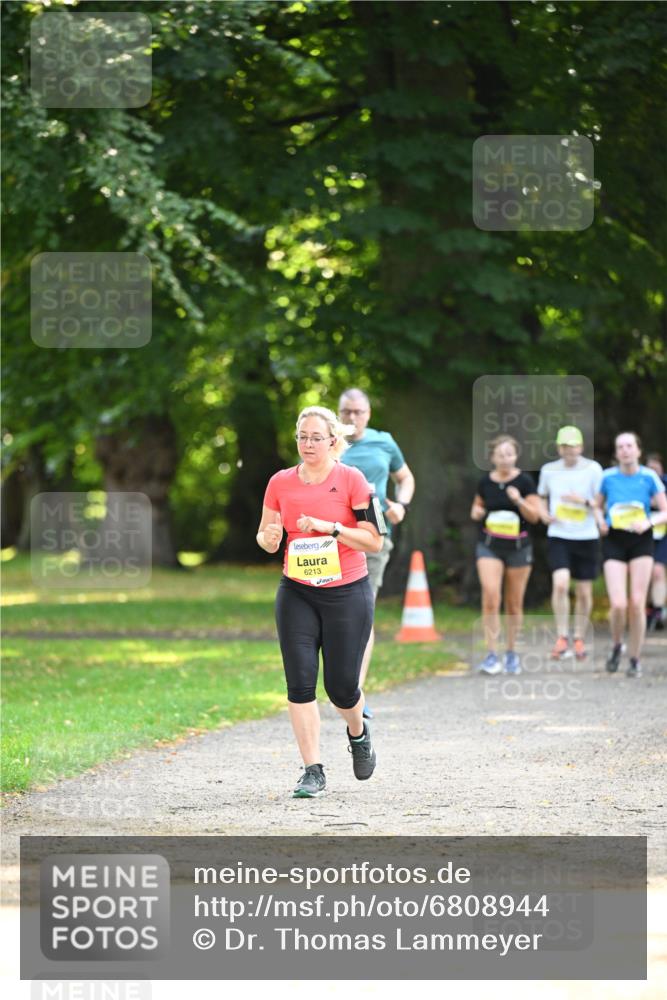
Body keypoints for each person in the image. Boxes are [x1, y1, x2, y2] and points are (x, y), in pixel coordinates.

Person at [256, 405, 384, 798]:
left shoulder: (352, 479)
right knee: (299, 683)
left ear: (332, 441)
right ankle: (313, 771)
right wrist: (269, 539)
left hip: (347, 592)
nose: (308, 444)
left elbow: (374, 541)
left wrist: (332, 528)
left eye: (316, 437)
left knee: (342, 687)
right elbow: (265, 535)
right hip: (297, 591)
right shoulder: (279, 482)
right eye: (302, 437)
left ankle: (358, 732)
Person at [338, 388, 415, 719]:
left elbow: (405, 478)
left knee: (363, 612)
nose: (352, 417)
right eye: (346, 412)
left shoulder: (384, 442)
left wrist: (402, 504)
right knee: (334, 616)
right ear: (338, 413)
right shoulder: (327, 442)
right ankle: (335, 681)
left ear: (368, 414)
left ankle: (354, 693)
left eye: (358, 412)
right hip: (332, 537)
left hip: (373, 535)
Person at [595, 432, 667, 677]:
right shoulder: (607, 477)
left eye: (629, 446)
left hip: (641, 540)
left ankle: (635, 659)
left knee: (637, 603)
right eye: (620, 447)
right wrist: (600, 522)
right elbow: (596, 506)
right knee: (618, 604)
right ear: (616, 453)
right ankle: (617, 645)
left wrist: (649, 521)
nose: (625, 450)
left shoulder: (649, 477)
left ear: (638, 450)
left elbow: (665, 510)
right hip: (614, 539)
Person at [470, 435, 541, 675]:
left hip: (519, 548)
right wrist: (477, 512)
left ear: (516, 456)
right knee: (491, 596)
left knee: (514, 603)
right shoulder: (485, 482)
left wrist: (518, 500)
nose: (505, 459)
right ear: (492, 457)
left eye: (509, 454)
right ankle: (491, 655)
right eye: (500, 455)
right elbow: (476, 508)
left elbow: (535, 516)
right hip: (489, 545)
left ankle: (511, 653)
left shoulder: (525, 481)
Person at [537, 426, 603, 661]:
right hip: (559, 534)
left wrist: (582, 501)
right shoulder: (549, 470)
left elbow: (600, 502)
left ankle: (579, 638)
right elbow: (541, 497)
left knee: (584, 591)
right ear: (558, 448)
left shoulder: (593, 469)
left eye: (573, 446)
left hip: (586, 535)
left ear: (581, 447)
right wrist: (543, 514)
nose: (570, 450)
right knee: (561, 584)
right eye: (565, 446)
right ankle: (562, 635)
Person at [645, 453, 667, 631]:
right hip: (643, 534)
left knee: (658, 570)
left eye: (656, 468)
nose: (653, 472)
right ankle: (646, 608)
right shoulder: (640, 482)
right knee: (644, 573)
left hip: (663, 536)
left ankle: (658, 610)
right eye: (649, 468)